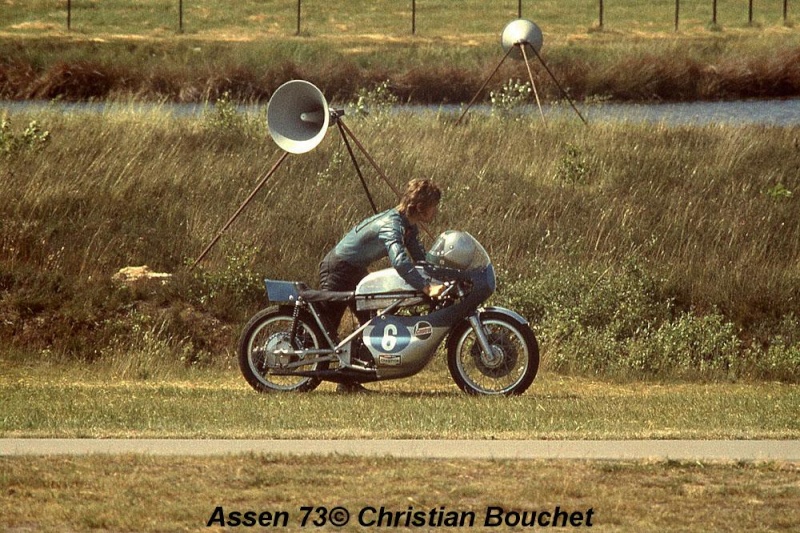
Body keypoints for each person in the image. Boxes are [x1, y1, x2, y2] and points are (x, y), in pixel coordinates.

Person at [318, 178, 445, 392]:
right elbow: (400, 261)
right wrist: (425, 287)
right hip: (338, 269)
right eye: (433, 206)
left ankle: (348, 381)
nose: (435, 211)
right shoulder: (392, 224)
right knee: (325, 328)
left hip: (354, 269)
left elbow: (420, 259)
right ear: (420, 207)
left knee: (369, 323)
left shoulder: (408, 227)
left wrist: (441, 276)